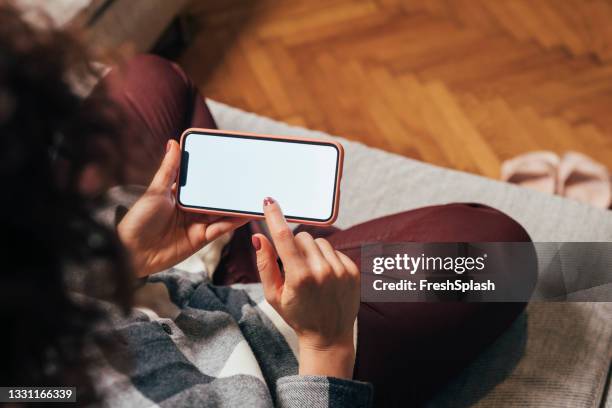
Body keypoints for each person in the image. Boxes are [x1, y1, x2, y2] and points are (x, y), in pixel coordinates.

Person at [1, 4, 532, 407]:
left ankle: (243, 259)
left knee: (150, 80)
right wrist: (325, 346)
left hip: (138, 294)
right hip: (260, 365)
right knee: (493, 259)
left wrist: (119, 264)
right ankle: (277, 272)